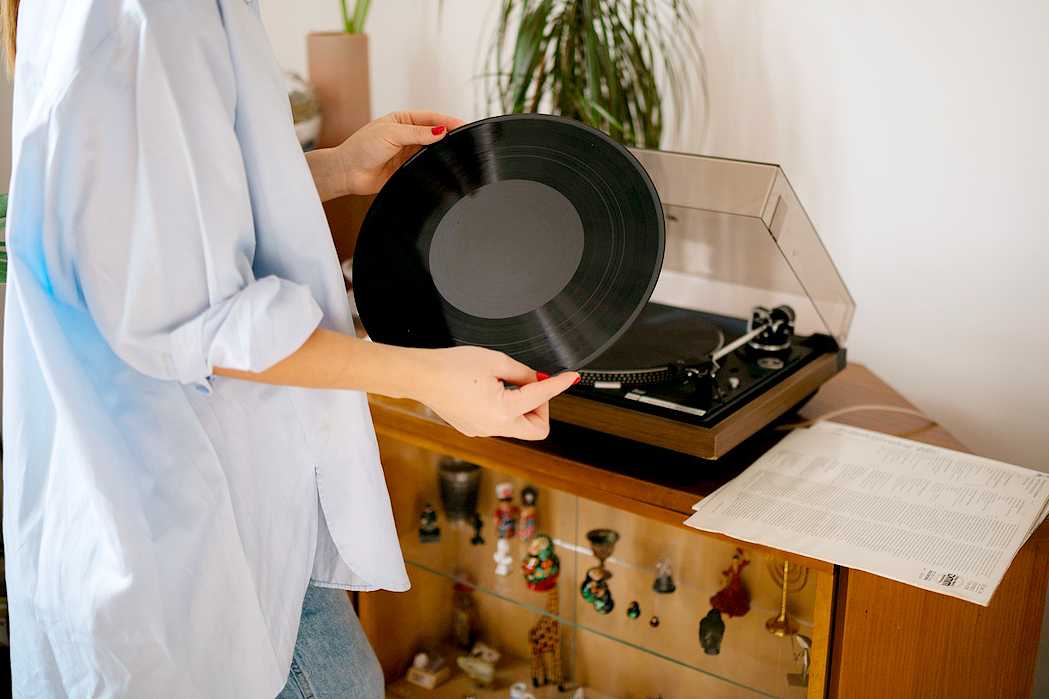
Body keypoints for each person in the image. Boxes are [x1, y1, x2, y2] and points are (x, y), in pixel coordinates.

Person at [0, 0, 579, 697]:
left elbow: (158, 219)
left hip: (195, 524)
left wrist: (334, 168)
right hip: (188, 542)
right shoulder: (149, 10)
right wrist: (423, 375)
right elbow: (193, 314)